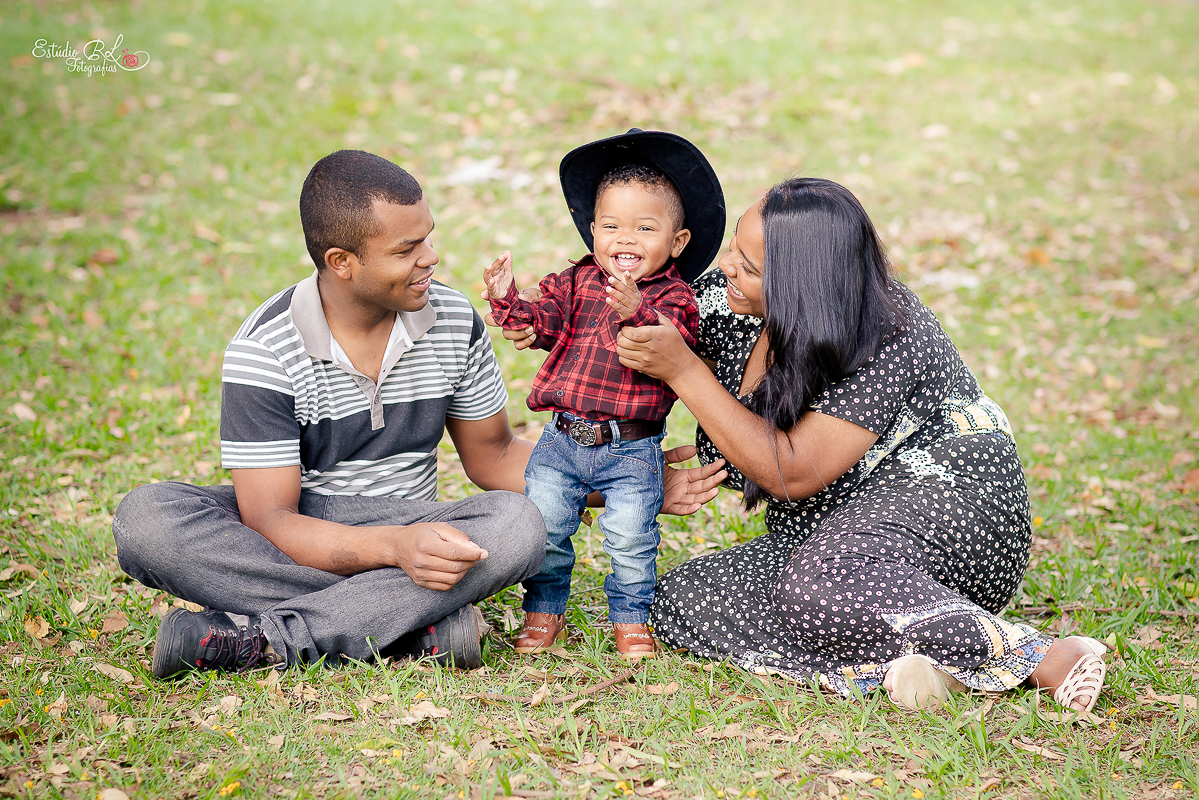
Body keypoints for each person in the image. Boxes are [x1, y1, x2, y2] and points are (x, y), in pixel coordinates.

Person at [112, 149, 726, 680]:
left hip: (422, 520)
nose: (431, 257)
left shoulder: (452, 320)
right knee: (147, 520)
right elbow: (271, 517)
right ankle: (408, 629)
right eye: (407, 249)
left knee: (518, 525)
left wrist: (626, 487)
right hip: (307, 522)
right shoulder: (265, 349)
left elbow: (494, 458)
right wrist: (394, 549)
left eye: (428, 236)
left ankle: (272, 635)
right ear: (341, 261)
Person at [603, 177, 1108, 712]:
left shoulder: (891, 332)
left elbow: (790, 472)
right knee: (684, 600)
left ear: (805, 289)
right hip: (828, 542)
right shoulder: (721, 304)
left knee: (817, 585)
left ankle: (1041, 655)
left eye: (749, 266)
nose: (727, 267)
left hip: (949, 512)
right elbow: (613, 341)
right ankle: (928, 672)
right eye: (734, 249)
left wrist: (684, 370)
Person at [484, 129, 725, 660]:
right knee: (545, 532)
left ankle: (632, 620)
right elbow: (542, 323)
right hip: (561, 440)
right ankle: (544, 612)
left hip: (631, 448)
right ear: (593, 230)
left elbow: (675, 341)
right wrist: (509, 301)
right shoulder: (573, 280)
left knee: (631, 539)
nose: (626, 240)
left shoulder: (677, 297)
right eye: (611, 226)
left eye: (645, 228)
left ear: (676, 242)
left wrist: (635, 309)